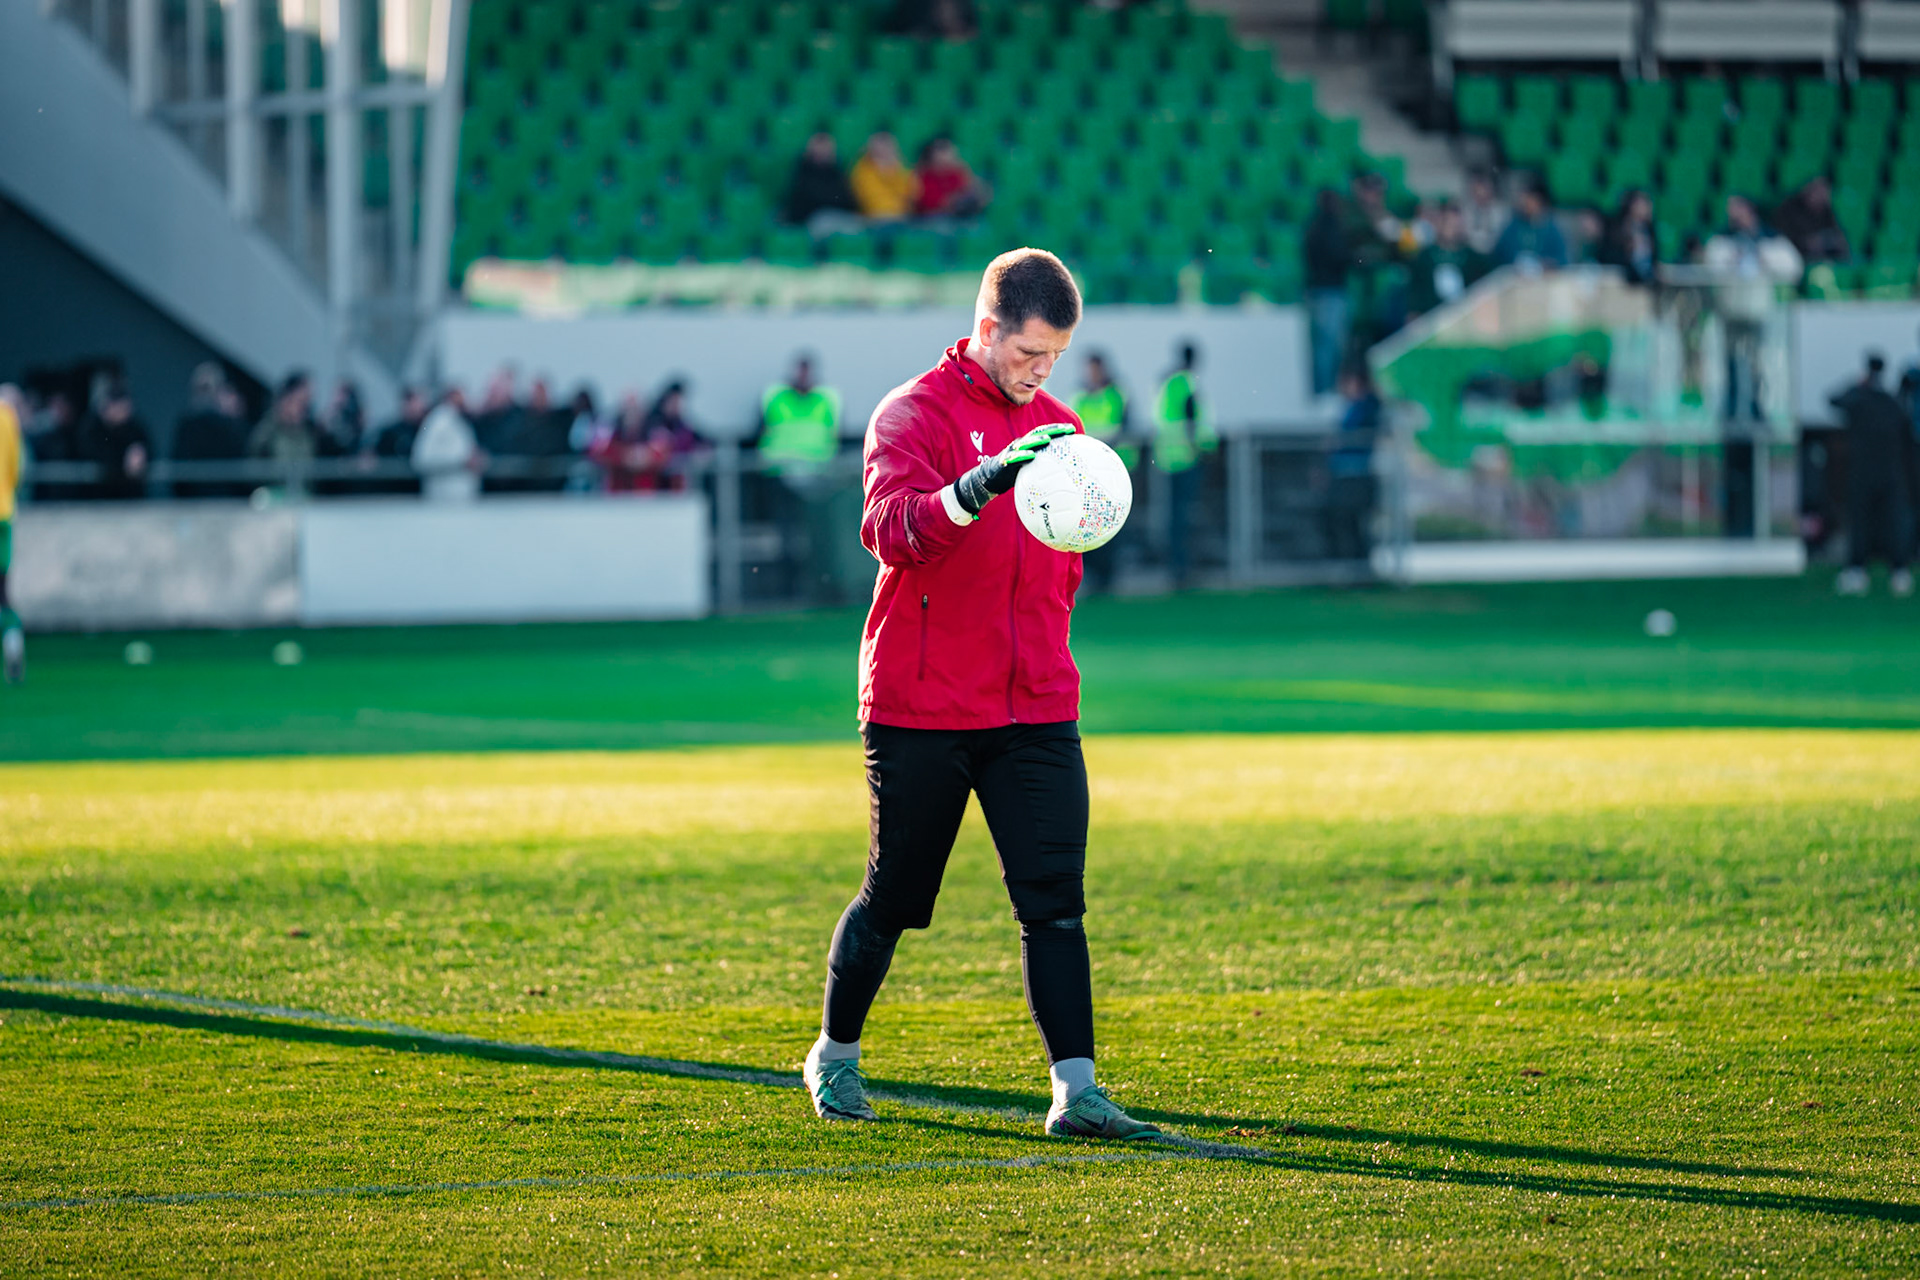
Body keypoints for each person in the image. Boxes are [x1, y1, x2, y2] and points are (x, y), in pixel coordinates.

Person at [802, 247, 1159, 1142]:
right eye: (1032, 353)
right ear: (987, 329)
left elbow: (1061, 570)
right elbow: (889, 533)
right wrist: (974, 488)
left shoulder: (1065, 427)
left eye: (1057, 358)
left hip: (1036, 705)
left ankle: (1077, 1093)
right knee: (896, 897)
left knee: (1055, 901)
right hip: (922, 704)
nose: (1044, 374)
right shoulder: (910, 414)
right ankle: (834, 1056)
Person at [758, 355, 848, 604]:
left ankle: (817, 590)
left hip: (818, 482)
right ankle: (785, 590)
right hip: (782, 480)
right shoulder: (776, 397)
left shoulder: (826, 399)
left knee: (815, 540)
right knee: (784, 540)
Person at [1831, 355, 1914, 597]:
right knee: (1892, 523)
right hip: (1890, 472)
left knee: (1863, 523)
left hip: (1866, 472)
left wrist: (1856, 385)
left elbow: (1834, 400)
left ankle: (1860, 571)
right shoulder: (1892, 401)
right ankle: (1898, 571)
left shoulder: (1859, 398)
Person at [1152, 343, 1217, 589]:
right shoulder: (1187, 383)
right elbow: (1192, 422)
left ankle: (1177, 568)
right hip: (1186, 457)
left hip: (1168, 457)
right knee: (1184, 517)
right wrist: (1202, 447)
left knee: (1174, 517)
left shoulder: (1167, 383)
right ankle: (1181, 569)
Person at [1072, 352, 1132, 595]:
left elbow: (1123, 428)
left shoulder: (1115, 394)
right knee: (1087, 526)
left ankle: (1108, 578)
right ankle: (1093, 576)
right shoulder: (1080, 396)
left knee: (1111, 526)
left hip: (1113, 471)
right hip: (1086, 473)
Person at [1325, 366, 1382, 564]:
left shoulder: (1366, 407)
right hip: (1345, 473)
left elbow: (1344, 437)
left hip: (1356, 474)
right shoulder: (1351, 408)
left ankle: (1360, 567)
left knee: (1356, 523)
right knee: (1345, 523)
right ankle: (1351, 566)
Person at [1304, 188, 1354, 396]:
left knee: (1321, 346)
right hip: (1330, 291)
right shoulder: (1331, 228)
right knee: (1330, 346)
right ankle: (1328, 392)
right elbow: (1340, 257)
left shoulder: (1311, 226)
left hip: (1316, 290)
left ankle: (1324, 391)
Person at [171, 362, 248, 498]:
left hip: (226, 501)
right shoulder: (187, 426)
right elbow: (179, 466)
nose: (204, 395)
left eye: (207, 388)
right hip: (194, 501)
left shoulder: (230, 426)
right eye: (201, 389)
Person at [1405, 200, 1486, 318]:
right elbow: (1415, 292)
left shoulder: (1472, 257)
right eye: (1447, 223)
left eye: (1456, 224)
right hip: (1431, 317)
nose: (1452, 228)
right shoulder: (1425, 257)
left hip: (1463, 316)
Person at [80, 375, 152, 501]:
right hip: (98, 499)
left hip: (130, 497)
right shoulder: (91, 427)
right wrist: (125, 460)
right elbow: (94, 454)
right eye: (120, 408)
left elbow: (149, 447)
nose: (125, 412)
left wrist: (140, 453)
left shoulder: (134, 426)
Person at [248, 371, 317, 494]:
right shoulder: (267, 432)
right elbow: (254, 465)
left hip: (304, 496)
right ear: (285, 400)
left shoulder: (309, 431)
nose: (303, 409)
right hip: (274, 496)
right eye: (299, 402)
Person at [411, 386, 484, 502]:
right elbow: (421, 459)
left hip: (462, 499)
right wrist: (462, 461)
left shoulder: (461, 420)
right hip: (443, 499)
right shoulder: (437, 421)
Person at [786, 131, 862, 236]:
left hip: (840, 217)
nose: (822, 152)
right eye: (819, 149)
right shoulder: (803, 172)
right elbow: (807, 200)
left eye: (826, 150)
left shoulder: (837, 172)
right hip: (813, 220)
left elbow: (848, 199)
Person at [641, 380, 705, 492]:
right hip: (654, 484)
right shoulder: (652, 423)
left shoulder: (683, 425)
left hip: (678, 482)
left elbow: (702, 440)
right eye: (673, 401)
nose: (677, 405)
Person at [365, 386, 430, 495]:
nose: (413, 406)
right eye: (409, 402)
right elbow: (373, 453)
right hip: (394, 489)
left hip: (418, 489)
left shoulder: (428, 430)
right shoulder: (391, 432)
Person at [0, 383, 24, 684]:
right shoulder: (9, 420)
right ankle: (13, 646)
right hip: (3, 513)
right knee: (3, 589)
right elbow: (16, 470)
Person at [1492, 179, 1568, 273]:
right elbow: (1500, 253)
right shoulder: (1514, 226)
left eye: (1530, 199)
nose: (1525, 203)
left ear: (1540, 201)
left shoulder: (1551, 229)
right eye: (1524, 198)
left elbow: (1563, 260)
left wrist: (1548, 264)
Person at [1773, 176, 1850, 268]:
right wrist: (1807, 243)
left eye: (1825, 192)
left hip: (1823, 257)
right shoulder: (1788, 209)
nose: (1822, 196)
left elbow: (1839, 238)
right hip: (1797, 258)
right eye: (1818, 191)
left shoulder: (1826, 211)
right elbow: (1782, 239)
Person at [913, 137, 990, 220]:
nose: (946, 158)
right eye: (941, 152)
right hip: (930, 220)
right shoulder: (923, 177)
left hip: (956, 220)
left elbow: (979, 195)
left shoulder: (957, 173)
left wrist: (964, 170)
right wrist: (954, 201)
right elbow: (932, 205)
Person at [850, 132, 919, 223]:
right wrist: (884, 174)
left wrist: (892, 171)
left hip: (901, 217)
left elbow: (912, 193)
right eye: (881, 146)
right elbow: (872, 201)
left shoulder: (900, 168)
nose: (885, 150)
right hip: (875, 219)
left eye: (888, 147)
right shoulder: (862, 170)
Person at [1599, 189, 1661, 287]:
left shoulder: (1649, 230)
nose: (1649, 208)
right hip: (1624, 282)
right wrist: (1629, 250)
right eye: (1644, 204)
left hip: (1647, 281)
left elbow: (1654, 258)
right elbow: (1607, 256)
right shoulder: (1617, 228)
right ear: (1632, 206)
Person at [1460, 168, 1510, 258]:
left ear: (1490, 190)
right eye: (1477, 190)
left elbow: (1503, 236)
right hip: (1471, 254)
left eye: (1484, 189)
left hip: (1496, 253)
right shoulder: (1465, 211)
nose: (1481, 194)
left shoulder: (1501, 211)